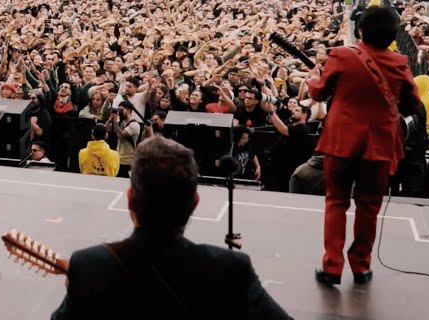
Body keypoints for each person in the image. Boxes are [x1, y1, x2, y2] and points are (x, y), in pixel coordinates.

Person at [51, 136, 291, 319]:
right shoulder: (232, 270)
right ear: (195, 202)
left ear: (129, 199)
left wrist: (77, 291)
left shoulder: (89, 265)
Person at [308, 5, 419, 285]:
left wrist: (313, 78)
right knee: (369, 207)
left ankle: (332, 266)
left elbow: (319, 92)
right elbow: (412, 103)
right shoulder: (400, 62)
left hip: (342, 141)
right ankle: (361, 266)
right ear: (393, 35)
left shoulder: (341, 56)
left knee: (336, 201)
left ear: (360, 30)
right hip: (380, 144)